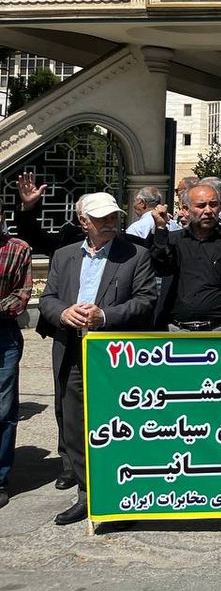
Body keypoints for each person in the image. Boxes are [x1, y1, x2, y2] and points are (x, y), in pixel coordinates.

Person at [37, 192, 158, 525]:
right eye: (102, 218)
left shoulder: (135, 255)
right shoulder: (63, 256)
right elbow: (47, 298)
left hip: (114, 355)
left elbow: (146, 300)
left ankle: (123, 495)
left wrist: (104, 316)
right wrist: (64, 313)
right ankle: (88, 495)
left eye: (114, 217)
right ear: (83, 221)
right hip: (72, 349)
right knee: (74, 424)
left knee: (119, 424)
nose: (110, 223)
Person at [149, 183, 221, 332]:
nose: (208, 211)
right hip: (177, 330)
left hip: (220, 330)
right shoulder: (174, 241)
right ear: (186, 209)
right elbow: (160, 268)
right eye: (201, 206)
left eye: (213, 205)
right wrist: (160, 229)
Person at [0, 222, 32, 510]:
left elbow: (21, 295)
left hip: (3, 333)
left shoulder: (17, 249)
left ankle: (0, 480)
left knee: (4, 409)